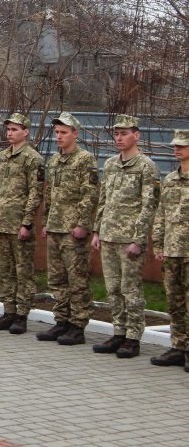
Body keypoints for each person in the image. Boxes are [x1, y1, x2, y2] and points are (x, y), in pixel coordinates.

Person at [91, 114, 160, 358]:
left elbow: (148, 205)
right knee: (113, 289)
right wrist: (97, 230)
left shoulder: (146, 166)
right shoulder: (110, 164)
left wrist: (139, 239)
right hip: (109, 235)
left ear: (136, 135)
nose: (119, 138)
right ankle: (118, 332)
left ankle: (133, 337)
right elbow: (103, 199)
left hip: (129, 239)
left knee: (130, 290)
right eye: (116, 133)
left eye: (124, 133)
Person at [37, 113, 99, 345]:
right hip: (55, 226)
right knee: (57, 279)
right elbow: (50, 194)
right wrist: (45, 222)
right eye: (57, 133)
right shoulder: (54, 160)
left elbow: (90, 194)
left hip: (73, 230)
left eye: (64, 132)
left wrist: (83, 224)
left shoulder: (85, 159)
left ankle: (77, 325)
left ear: (75, 133)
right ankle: (61, 320)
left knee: (77, 279)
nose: (59, 137)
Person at [0, 113, 44, 335]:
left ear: (25, 132)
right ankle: (9, 310)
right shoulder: (1, 157)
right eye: (8, 129)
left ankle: (22, 314)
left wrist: (27, 223)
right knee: (5, 271)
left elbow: (34, 193)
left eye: (15, 129)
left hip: (19, 224)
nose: (10, 133)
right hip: (1, 223)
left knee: (23, 272)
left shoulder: (32, 159)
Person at [150, 129, 189, 368]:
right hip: (172, 249)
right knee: (174, 302)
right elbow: (162, 214)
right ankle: (179, 346)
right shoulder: (171, 179)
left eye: (182, 146)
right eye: (175, 145)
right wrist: (158, 243)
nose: (176, 149)